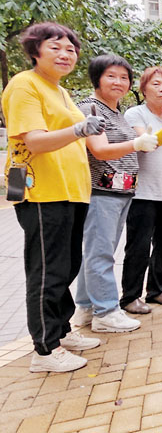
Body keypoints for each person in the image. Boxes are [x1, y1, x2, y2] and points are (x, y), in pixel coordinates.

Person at [2, 22, 103, 372]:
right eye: (55, 47)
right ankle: (44, 349)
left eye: (71, 49)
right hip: (42, 190)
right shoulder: (24, 85)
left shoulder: (59, 90)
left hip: (70, 192)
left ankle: (60, 331)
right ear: (34, 51)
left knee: (67, 265)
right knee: (47, 270)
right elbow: (33, 140)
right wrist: (78, 129)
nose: (65, 54)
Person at [71, 55, 158, 334]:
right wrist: (136, 142)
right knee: (100, 253)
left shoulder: (116, 111)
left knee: (98, 252)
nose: (118, 82)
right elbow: (99, 150)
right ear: (96, 78)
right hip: (100, 190)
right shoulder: (90, 108)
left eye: (124, 77)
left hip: (121, 191)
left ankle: (86, 307)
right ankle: (106, 311)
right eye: (111, 76)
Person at [120, 67, 162, 314]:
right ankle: (130, 296)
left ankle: (157, 290)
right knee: (138, 246)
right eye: (156, 84)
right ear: (144, 88)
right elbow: (146, 144)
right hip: (144, 193)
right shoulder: (135, 114)